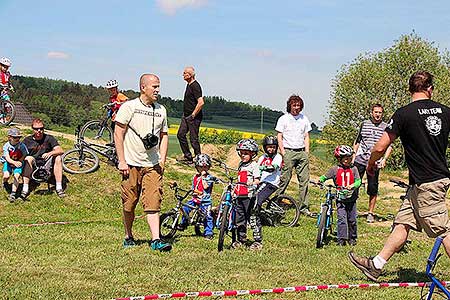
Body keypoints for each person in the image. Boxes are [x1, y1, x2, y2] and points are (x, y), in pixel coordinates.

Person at [349, 71, 450, 282]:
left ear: (409, 89)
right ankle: (376, 265)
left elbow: (381, 145)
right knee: (402, 223)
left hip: (428, 183)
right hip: (419, 184)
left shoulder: (403, 114)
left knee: (443, 230)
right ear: (430, 88)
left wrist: (370, 164)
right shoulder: (445, 112)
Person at [114, 73, 172, 252]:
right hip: (130, 164)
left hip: (152, 165)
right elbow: (118, 133)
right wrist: (122, 161)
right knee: (129, 203)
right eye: (154, 86)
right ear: (143, 87)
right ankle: (128, 235)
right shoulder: (129, 107)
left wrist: (162, 159)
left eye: (158, 86)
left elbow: (164, 135)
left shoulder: (161, 110)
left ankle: (156, 239)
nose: (157, 90)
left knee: (153, 202)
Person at [275, 94, 314, 217]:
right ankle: (276, 202)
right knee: (284, 179)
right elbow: (279, 136)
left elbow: (307, 136)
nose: (296, 107)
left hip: (301, 152)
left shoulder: (304, 119)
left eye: (298, 105)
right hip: (288, 151)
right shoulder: (283, 119)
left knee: (304, 181)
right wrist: (283, 152)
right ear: (290, 106)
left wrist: (307, 152)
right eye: (294, 105)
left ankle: (303, 207)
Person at [353, 104, 392, 223]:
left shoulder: (386, 127)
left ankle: (370, 213)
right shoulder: (364, 124)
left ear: (382, 114)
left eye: (380, 112)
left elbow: (389, 145)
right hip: (360, 159)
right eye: (376, 112)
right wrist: (353, 155)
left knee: (373, 187)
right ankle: (351, 210)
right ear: (371, 113)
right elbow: (358, 140)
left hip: (375, 161)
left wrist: (384, 159)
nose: (378, 114)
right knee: (354, 185)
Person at [319, 145, 361, 246]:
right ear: (339, 158)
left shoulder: (354, 169)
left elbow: (358, 181)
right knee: (342, 219)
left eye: (350, 158)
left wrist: (353, 185)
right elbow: (325, 176)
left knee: (352, 220)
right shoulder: (335, 169)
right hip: (340, 199)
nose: (348, 160)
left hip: (351, 198)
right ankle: (341, 239)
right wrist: (320, 180)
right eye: (346, 158)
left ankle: (352, 238)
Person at [251, 135, 283, 249]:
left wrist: (262, 168)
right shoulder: (262, 157)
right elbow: (256, 167)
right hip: (262, 181)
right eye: (269, 147)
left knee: (257, 200)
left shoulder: (278, 157)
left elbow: (273, 167)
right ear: (265, 147)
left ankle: (256, 217)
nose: (271, 149)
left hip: (271, 183)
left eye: (273, 147)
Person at [22, 118, 65, 198]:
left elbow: (60, 150)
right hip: (33, 166)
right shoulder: (27, 140)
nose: (39, 130)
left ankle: (59, 187)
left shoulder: (49, 138)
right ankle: (25, 188)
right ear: (32, 129)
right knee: (28, 158)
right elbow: (20, 152)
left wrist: (50, 153)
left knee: (58, 157)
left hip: (47, 165)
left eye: (41, 128)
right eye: (36, 129)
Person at [178, 153, 215, 240]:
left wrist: (203, 177)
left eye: (205, 167)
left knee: (207, 216)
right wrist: (192, 192)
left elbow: (205, 186)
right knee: (185, 208)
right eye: (201, 167)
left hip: (205, 201)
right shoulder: (195, 177)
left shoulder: (209, 178)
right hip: (195, 199)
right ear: (197, 167)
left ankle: (208, 232)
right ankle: (184, 223)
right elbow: (193, 187)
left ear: (209, 167)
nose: (203, 169)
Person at [233, 138, 260, 250]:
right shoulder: (241, 165)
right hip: (240, 195)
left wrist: (253, 183)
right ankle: (241, 239)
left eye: (246, 154)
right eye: (241, 153)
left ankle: (257, 241)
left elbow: (257, 180)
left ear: (252, 154)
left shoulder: (254, 165)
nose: (243, 156)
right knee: (240, 219)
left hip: (249, 196)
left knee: (252, 218)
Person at [177, 66, 204, 164]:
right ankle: (188, 157)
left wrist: (193, 115)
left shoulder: (195, 86)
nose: (183, 75)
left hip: (193, 117)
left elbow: (201, 102)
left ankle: (198, 160)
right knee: (180, 134)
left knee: (193, 139)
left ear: (190, 75)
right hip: (186, 115)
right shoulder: (189, 85)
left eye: (184, 73)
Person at [2, 128, 28, 202]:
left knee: (16, 176)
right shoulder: (6, 146)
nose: (17, 139)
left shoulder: (22, 145)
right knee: (6, 175)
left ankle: (13, 193)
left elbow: (25, 154)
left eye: (19, 137)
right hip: (9, 163)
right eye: (15, 137)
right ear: (9, 137)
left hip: (18, 163)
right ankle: (4, 182)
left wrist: (20, 160)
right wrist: (14, 163)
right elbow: (7, 158)